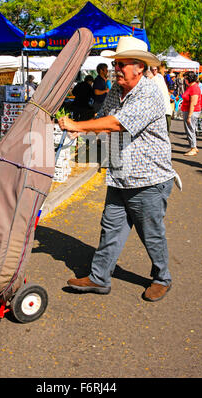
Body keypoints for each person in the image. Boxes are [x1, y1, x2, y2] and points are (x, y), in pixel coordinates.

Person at [58, 36, 176, 302]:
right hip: (121, 173)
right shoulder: (116, 90)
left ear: (140, 67)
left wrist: (77, 126)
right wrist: (85, 133)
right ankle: (99, 277)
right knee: (110, 228)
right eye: (116, 64)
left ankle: (162, 278)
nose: (117, 69)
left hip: (148, 178)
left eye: (123, 64)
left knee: (151, 234)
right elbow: (103, 119)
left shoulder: (149, 93)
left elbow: (117, 124)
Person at [181, 71, 201, 156]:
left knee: (190, 129)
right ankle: (194, 147)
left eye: (185, 78)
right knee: (190, 129)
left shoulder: (194, 88)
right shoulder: (191, 87)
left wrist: (189, 116)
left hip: (191, 112)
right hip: (188, 110)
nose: (184, 80)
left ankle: (193, 147)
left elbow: (193, 103)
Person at [151, 65, 173, 133]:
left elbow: (164, 90)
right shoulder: (149, 78)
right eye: (153, 70)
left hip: (165, 104)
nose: (154, 71)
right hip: (157, 108)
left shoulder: (160, 77)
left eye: (155, 69)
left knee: (167, 124)